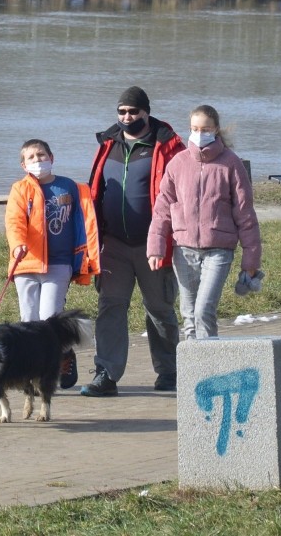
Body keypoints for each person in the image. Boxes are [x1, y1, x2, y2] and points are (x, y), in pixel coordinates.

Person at [81, 86, 186, 397]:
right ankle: (106, 374)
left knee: (159, 308)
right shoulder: (108, 144)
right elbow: (96, 189)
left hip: (154, 243)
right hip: (113, 244)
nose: (127, 117)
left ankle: (169, 371)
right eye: (122, 112)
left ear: (146, 111)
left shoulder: (167, 145)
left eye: (133, 111)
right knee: (110, 307)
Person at [147, 105, 262, 340]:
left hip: (219, 250)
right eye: (194, 129)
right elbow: (162, 209)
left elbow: (245, 213)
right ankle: (192, 374)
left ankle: (210, 370)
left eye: (206, 129)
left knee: (203, 312)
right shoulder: (177, 164)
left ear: (216, 129)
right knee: (188, 316)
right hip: (184, 249)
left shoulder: (231, 163)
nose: (200, 134)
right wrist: (156, 247)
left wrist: (251, 259)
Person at [4, 138, 100, 389]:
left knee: (49, 319)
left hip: (59, 264)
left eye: (42, 155)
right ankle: (31, 374)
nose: (38, 160)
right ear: (23, 164)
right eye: (32, 157)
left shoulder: (69, 187)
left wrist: (87, 256)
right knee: (28, 322)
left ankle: (64, 355)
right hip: (26, 265)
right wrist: (17, 245)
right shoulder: (19, 189)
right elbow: (14, 222)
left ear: (52, 158)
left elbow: (85, 220)